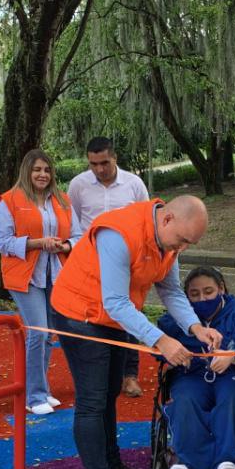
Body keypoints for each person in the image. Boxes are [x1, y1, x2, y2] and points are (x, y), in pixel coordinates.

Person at [50, 196, 223, 469]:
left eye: (190, 244)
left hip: (112, 316)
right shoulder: (118, 233)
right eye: (183, 240)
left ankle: (113, 467)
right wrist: (161, 341)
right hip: (79, 314)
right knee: (92, 399)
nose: (182, 248)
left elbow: (169, 290)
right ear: (167, 219)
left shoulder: (169, 243)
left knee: (110, 391)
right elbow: (115, 301)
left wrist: (196, 328)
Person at [0, 149, 81, 415]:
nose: (42, 175)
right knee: (38, 331)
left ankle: (41, 388)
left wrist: (64, 246)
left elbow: (78, 236)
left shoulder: (63, 201)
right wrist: (36, 244)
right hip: (25, 276)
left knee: (49, 334)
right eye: (37, 170)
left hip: (55, 273)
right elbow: (2, 242)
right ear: (26, 172)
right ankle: (34, 396)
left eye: (46, 170)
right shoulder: (9, 201)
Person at [157, 267, 235, 469]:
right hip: (192, 373)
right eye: (194, 294)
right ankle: (190, 461)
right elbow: (159, 348)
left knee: (231, 396)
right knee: (185, 398)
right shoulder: (174, 319)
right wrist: (173, 356)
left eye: (208, 292)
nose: (202, 298)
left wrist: (233, 356)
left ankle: (226, 460)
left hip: (232, 374)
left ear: (221, 289)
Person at [67, 137, 151, 399]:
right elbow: (75, 223)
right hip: (90, 264)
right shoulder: (78, 185)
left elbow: (145, 219)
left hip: (127, 262)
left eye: (104, 162)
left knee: (129, 314)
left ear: (114, 158)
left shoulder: (133, 184)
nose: (100, 169)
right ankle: (102, 375)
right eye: (94, 164)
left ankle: (129, 375)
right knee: (95, 318)